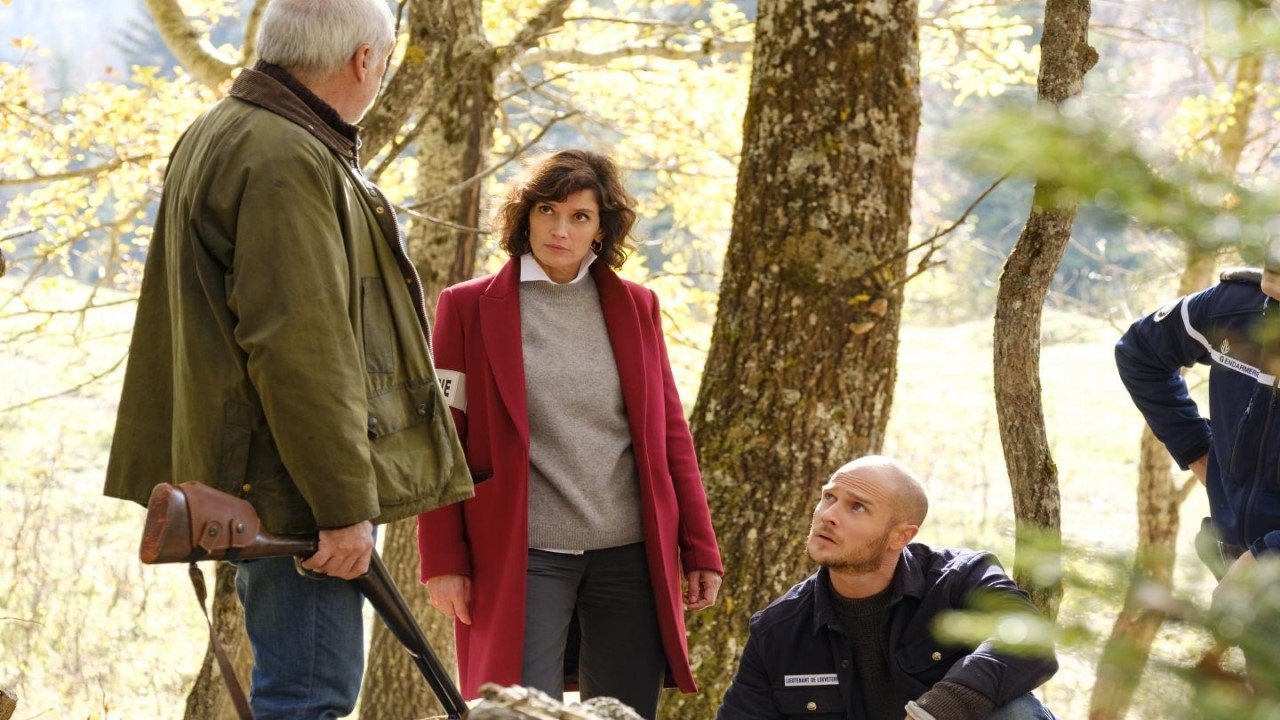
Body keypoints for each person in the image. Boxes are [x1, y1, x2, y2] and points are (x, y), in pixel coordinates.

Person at [102, 1, 473, 716]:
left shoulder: (228, 129)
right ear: (363, 60)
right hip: (293, 487)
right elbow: (300, 350)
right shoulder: (283, 156)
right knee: (308, 698)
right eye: (383, 62)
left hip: (268, 475)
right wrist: (342, 508)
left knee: (299, 692)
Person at [416, 148, 724, 718]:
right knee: (520, 711)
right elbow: (441, 442)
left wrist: (699, 548)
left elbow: (670, 435)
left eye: (580, 216)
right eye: (548, 211)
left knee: (622, 714)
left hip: (630, 556)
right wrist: (443, 560)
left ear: (601, 229)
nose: (561, 230)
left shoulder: (637, 306)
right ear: (525, 216)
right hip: (524, 553)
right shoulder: (466, 307)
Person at [718, 457, 1058, 720]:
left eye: (857, 506)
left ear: (901, 536)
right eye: (829, 497)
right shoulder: (778, 629)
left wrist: (938, 710)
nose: (828, 515)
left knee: (1016, 713)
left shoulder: (960, 578)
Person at [1116, 261, 1280, 602]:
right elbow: (1140, 352)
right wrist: (1195, 450)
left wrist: (1264, 559)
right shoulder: (1233, 304)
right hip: (1238, 572)